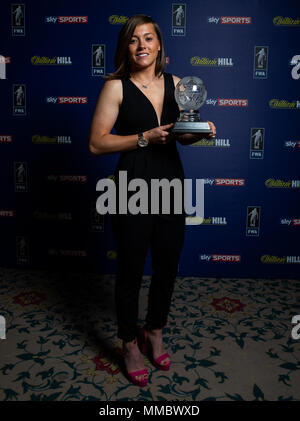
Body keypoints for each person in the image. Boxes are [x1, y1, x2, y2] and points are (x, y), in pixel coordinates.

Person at [88, 14, 216, 387]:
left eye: (148, 38)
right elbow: (97, 143)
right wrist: (143, 137)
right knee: (130, 268)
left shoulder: (178, 85)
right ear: (126, 48)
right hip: (131, 186)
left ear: (160, 45)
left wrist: (201, 131)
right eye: (133, 39)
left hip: (171, 184)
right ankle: (129, 343)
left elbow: (179, 136)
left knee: (167, 265)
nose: (142, 45)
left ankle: (154, 331)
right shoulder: (116, 88)